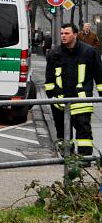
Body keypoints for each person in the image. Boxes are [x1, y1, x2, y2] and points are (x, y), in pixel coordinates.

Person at [44, 23, 102, 156]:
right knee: (63, 135)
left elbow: (99, 75)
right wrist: (51, 95)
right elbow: (49, 78)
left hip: (81, 100)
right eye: (62, 33)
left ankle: (84, 160)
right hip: (60, 102)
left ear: (75, 34)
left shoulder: (89, 52)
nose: (63, 36)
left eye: (67, 33)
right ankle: (67, 160)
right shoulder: (54, 53)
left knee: (83, 134)